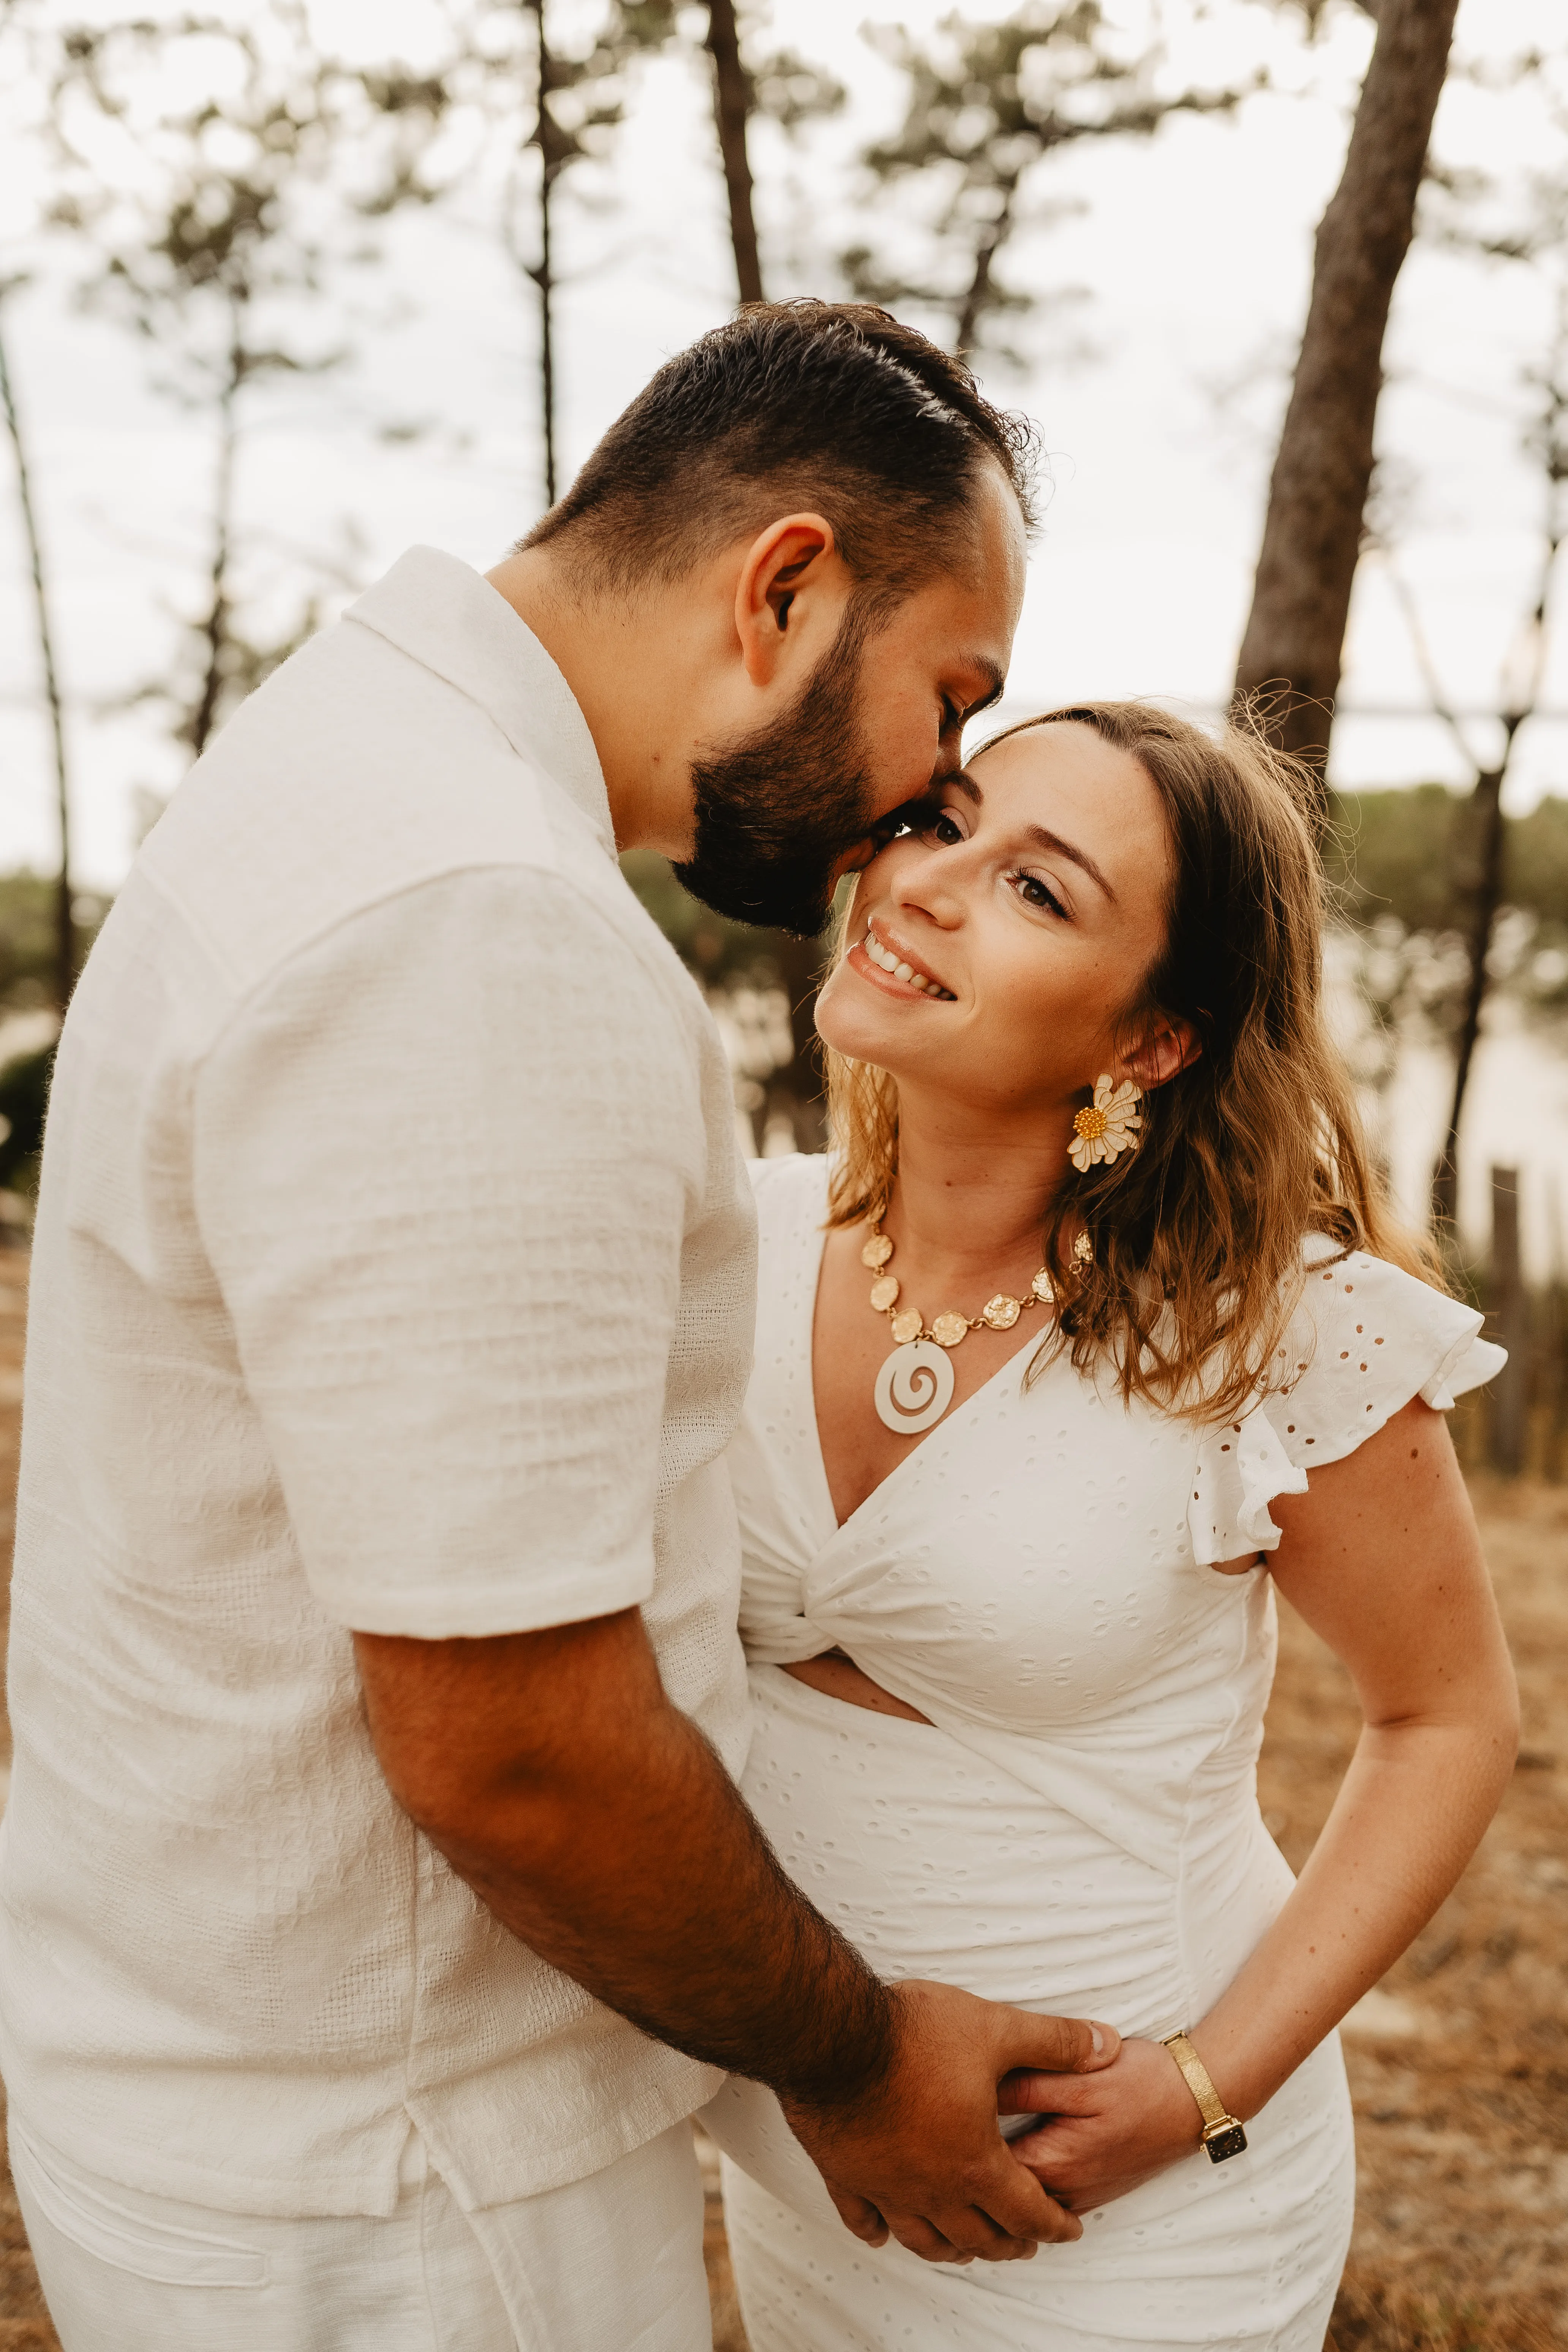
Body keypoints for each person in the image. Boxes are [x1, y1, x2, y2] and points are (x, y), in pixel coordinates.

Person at [0, 303, 1121, 2352]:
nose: (929, 798)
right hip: (401, 2189)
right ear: (786, 588)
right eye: (949, 700)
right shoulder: (486, 924)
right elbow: (513, 1745)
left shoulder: (346, 752)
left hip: (229, 2077)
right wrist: (859, 2057)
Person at [703, 701, 1521, 2349]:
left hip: (1138, 2207)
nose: (924, 885)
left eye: (1038, 890)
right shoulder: (718, 1239)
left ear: (1151, 1043)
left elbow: (1449, 1720)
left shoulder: (1273, 1331)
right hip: (810, 2170)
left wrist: (1202, 2090)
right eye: (943, 823)